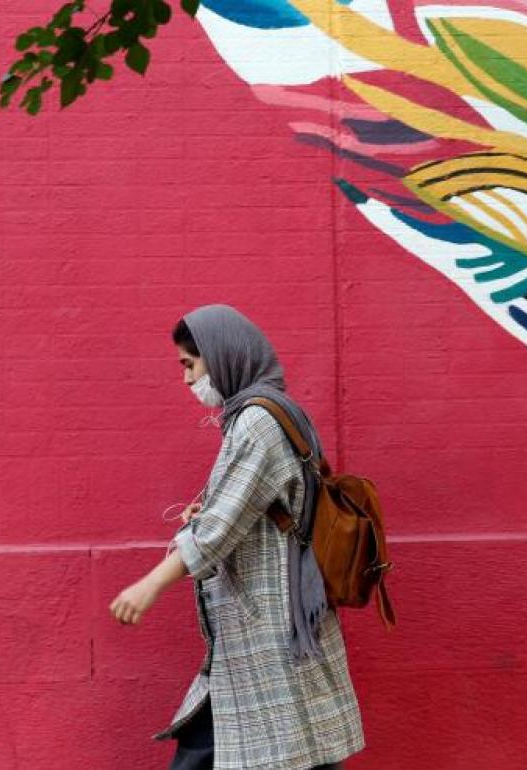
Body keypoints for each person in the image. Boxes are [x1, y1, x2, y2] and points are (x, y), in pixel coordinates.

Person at [108, 305, 364, 770]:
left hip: (267, 624)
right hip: (279, 623)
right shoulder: (274, 412)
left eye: (190, 363)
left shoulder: (256, 422)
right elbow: (257, 505)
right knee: (294, 750)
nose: (186, 379)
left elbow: (217, 531)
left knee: (230, 749)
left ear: (221, 355)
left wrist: (149, 585)